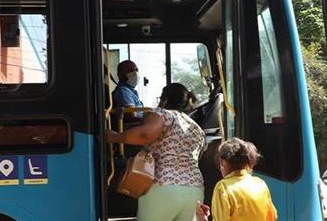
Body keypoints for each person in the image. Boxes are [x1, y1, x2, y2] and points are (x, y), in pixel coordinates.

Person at [106, 83, 206, 221]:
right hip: (195, 191)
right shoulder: (196, 128)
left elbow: (145, 134)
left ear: (164, 99)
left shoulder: (163, 114)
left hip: (163, 187)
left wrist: (115, 137)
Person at [196, 138, 278, 221]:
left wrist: (202, 219)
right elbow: (272, 217)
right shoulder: (260, 184)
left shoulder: (223, 187)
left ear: (223, 163)